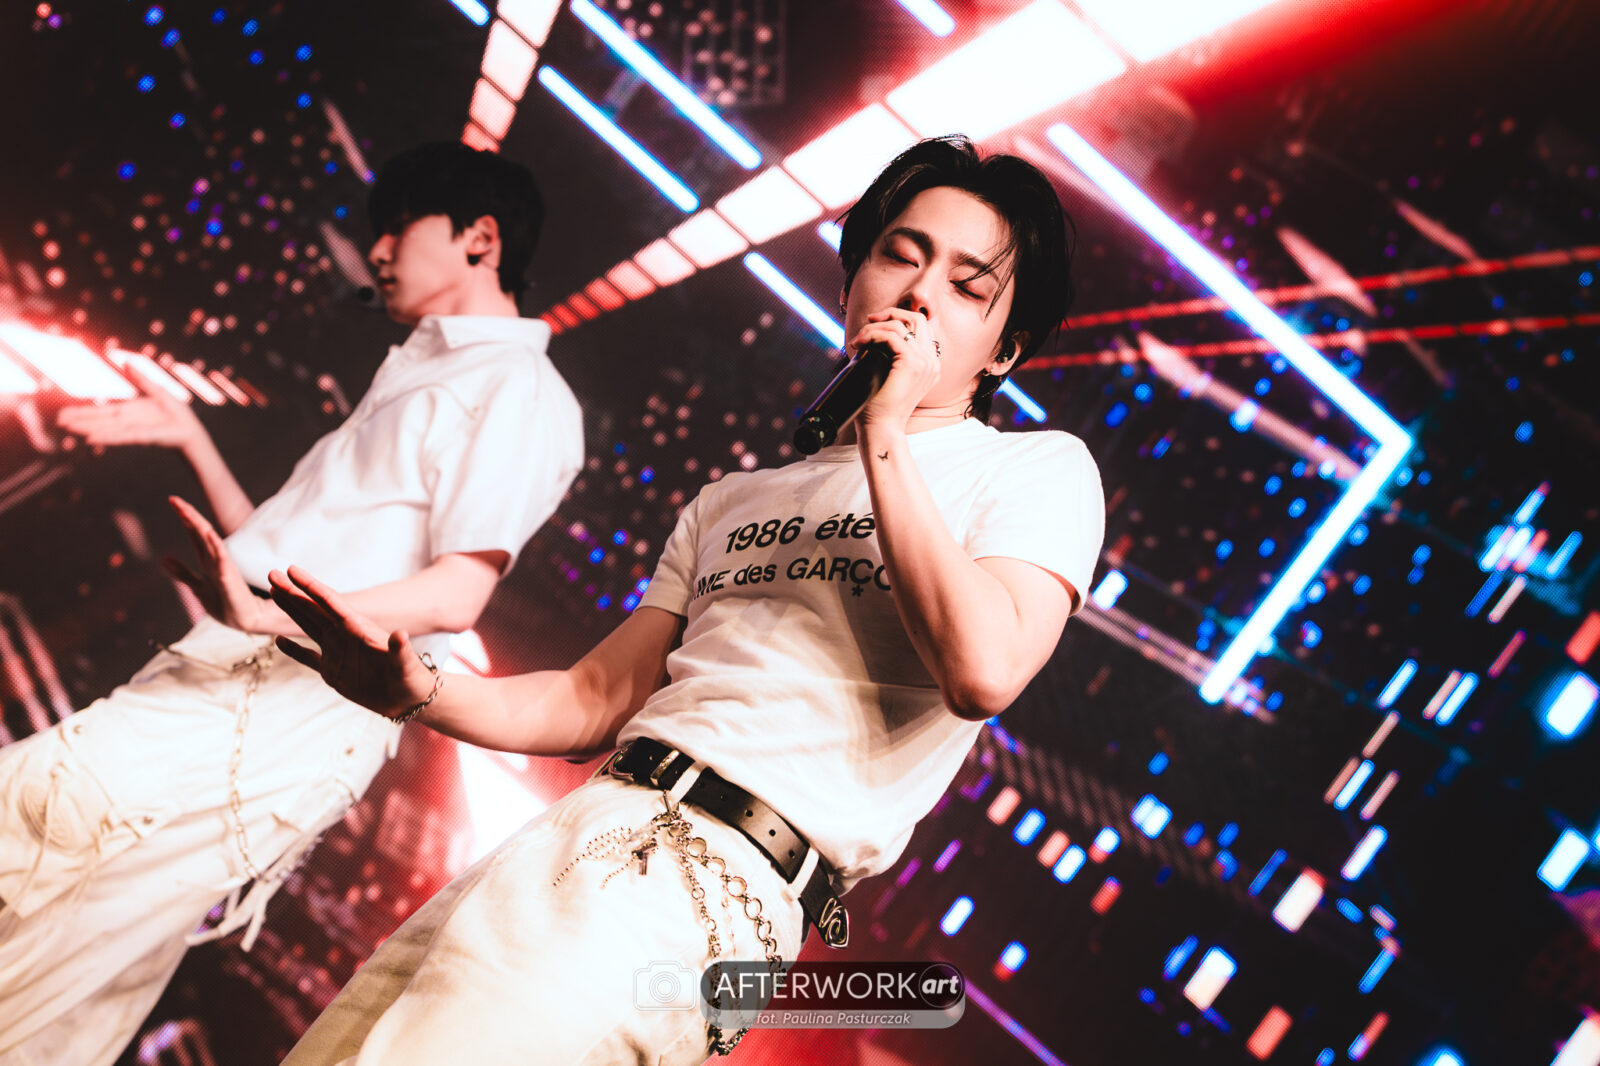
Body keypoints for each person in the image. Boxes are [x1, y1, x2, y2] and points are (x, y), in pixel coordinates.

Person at [271, 134, 1104, 1066]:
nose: (918, 294)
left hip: (715, 879)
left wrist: (886, 430)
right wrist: (417, 691)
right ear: (850, 286)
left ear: (1005, 349)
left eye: (966, 286)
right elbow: (594, 699)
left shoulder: (1035, 471)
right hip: (577, 827)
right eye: (900, 257)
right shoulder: (731, 501)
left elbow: (982, 670)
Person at [0, 142, 584, 1066]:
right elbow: (281, 560)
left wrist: (265, 615)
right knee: (77, 954)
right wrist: (193, 439)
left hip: (284, 715)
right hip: (236, 680)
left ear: (480, 239)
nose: (377, 252)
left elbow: (456, 592)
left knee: (39, 837)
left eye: (399, 226)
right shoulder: (420, 369)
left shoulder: (518, 389)